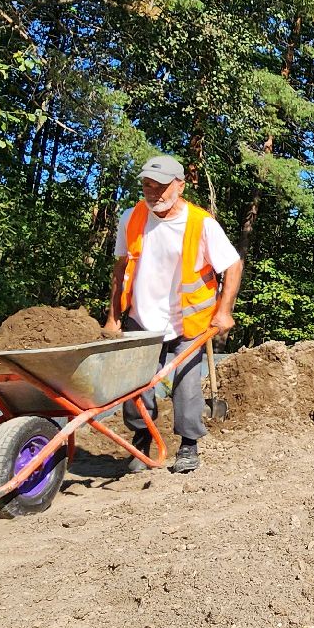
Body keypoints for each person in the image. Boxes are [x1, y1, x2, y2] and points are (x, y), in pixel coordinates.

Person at [103, 154, 243, 474]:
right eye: (147, 186)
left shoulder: (200, 223)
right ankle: (142, 438)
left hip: (188, 318)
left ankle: (189, 446)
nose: (153, 193)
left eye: (161, 186)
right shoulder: (132, 217)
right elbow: (120, 268)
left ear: (179, 185)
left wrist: (224, 311)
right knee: (135, 385)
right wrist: (112, 317)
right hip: (141, 317)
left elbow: (233, 265)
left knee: (186, 384)